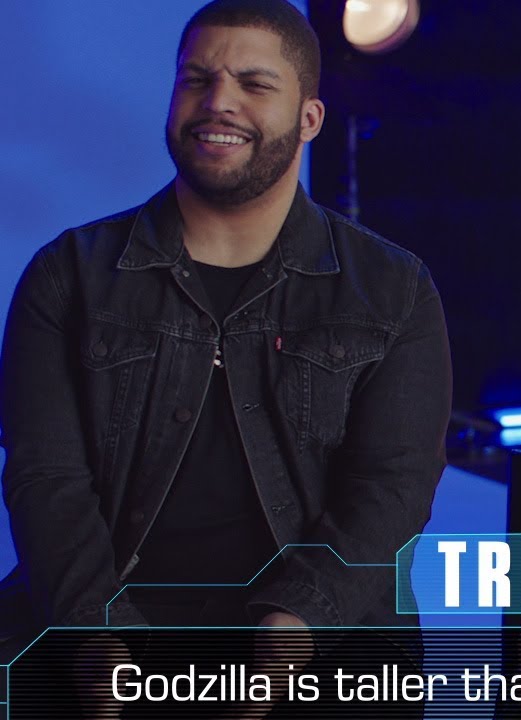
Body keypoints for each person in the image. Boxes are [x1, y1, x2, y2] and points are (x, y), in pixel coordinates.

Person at [0, 0, 451, 700]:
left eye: (254, 84)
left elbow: (393, 488)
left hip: (317, 634)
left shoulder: (394, 290)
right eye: (196, 79)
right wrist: (95, 635)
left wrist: (294, 627)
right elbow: (44, 477)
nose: (218, 102)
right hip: (100, 625)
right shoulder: (68, 276)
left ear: (310, 118)